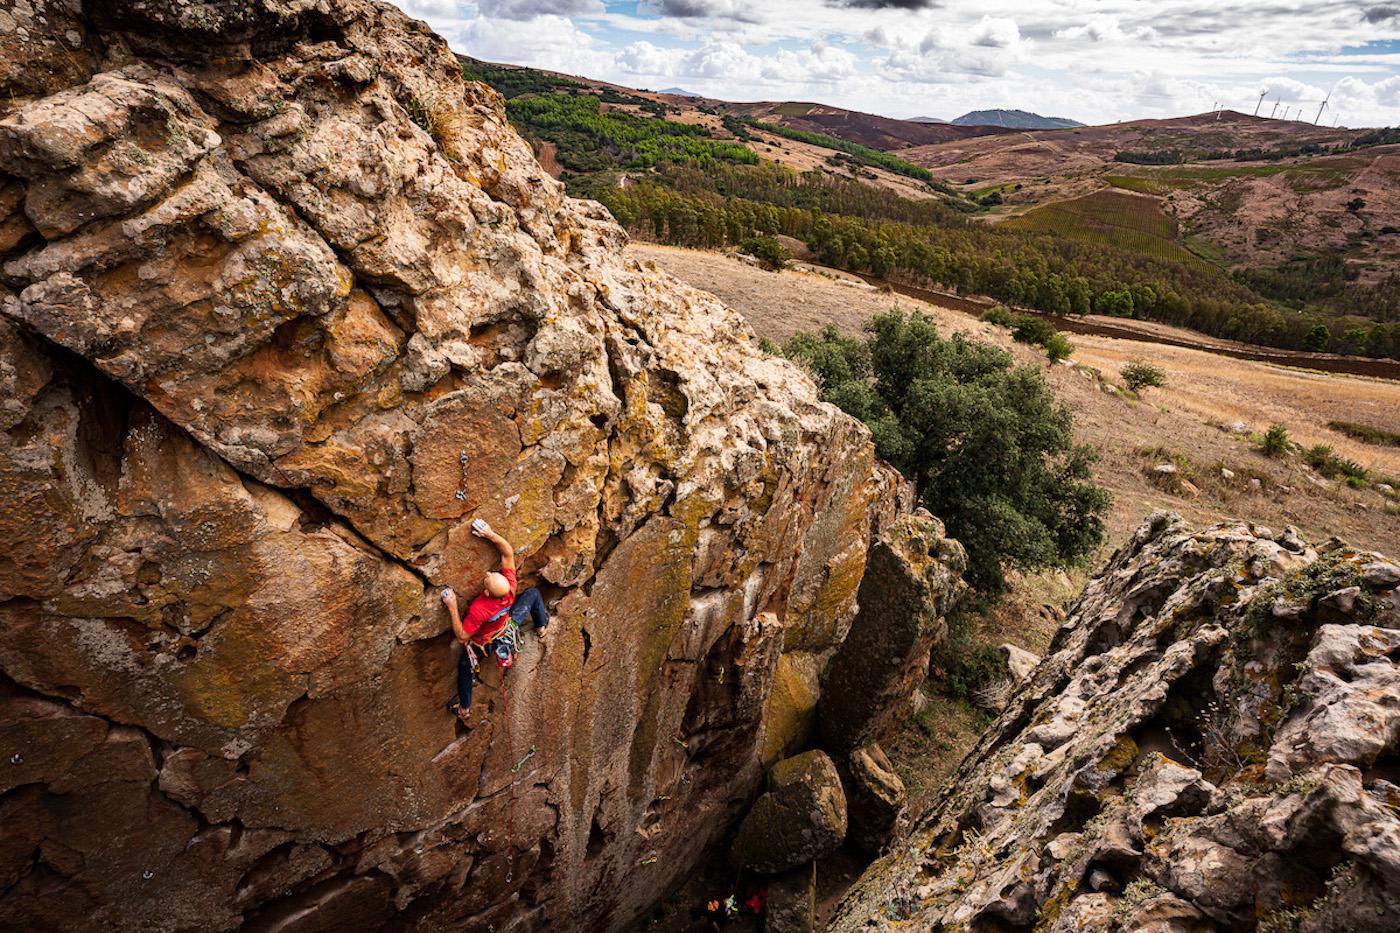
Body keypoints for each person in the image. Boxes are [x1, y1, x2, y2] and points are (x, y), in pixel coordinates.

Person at [442, 518, 549, 723]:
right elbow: (507, 552)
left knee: (466, 666)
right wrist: (490, 534)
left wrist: (452, 607)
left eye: (488, 577)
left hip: (486, 643)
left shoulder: (480, 608)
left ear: (486, 592)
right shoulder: (509, 587)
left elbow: (463, 635)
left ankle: (464, 708)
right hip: (507, 626)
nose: (489, 572)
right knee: (533, 594)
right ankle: (541, 627)